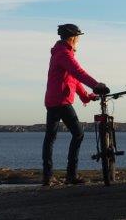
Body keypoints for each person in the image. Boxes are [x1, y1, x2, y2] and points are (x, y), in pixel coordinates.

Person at [42, 23, 108, 186]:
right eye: (78, 37)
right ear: (72, 38)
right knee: (78, 133)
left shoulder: (60, 52)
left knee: (50, 137)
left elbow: (72, 79)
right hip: (61, 101)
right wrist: (97, 85)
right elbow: (79, 73)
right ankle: (71, 175)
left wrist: (86, 96)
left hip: (53, 100)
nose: (78, 40)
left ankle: (48, 177)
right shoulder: (64, 53)